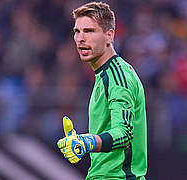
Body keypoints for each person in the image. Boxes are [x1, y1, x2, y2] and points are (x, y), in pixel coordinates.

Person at [57, 2, 148, 179]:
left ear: (109, 36)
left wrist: (87, 142)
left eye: (89, 31)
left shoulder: (117, 77)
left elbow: (124, 134)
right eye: (77, 31)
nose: (80, 38)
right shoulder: (103, 74)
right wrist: (81, 145)